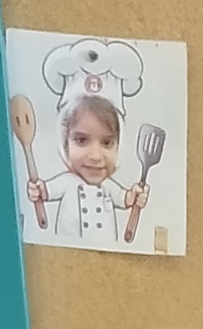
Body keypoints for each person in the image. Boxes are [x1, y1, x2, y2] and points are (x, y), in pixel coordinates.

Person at [28, 92, 146, 246]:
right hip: (66, 249)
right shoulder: (67, 182)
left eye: (107, 143)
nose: (95, 156)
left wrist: (136, 195)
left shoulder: (108, 186)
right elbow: (43, 192)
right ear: (65, 144)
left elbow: (126, 199)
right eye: (81, 140)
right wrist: (36, 190)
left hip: (107, 250)